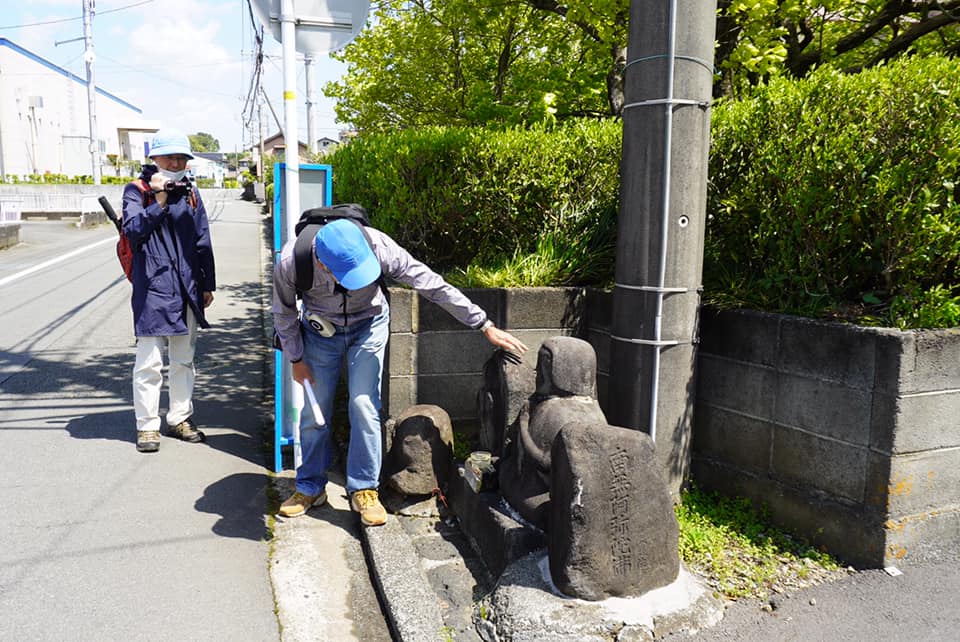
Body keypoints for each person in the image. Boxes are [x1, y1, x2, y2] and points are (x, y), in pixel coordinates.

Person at [273, 217, 527, 526]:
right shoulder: (292, 262)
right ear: (323, 265)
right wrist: (296, 358)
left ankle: (364, 488)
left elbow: (430, 283)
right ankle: (309, 487)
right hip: (319, 334)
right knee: (316, 413)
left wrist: (483, 324)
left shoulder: (379, 246)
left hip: (369, 324)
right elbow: (283, 313)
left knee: (364, 404)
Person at [123, 130, 216, 453]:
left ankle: (179, 418)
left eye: (182, 158)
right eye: (170, 157)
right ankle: (147, 426)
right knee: (148, 361)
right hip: (152, 286)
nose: (176, 163)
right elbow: (132, 230)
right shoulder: (138, 191)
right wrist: (160, 199)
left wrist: (207, 283)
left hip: (188, 285)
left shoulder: (191, 192)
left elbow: (202, 239)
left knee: (183, 359)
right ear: (154, 160)